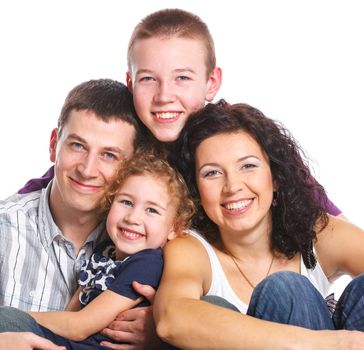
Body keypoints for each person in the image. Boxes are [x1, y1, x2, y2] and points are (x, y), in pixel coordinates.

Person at [16, 8, 342, 218]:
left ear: (211, 82)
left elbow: (324, 214)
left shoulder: (241, 138)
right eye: (148, 79)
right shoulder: (125, 138)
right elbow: (54, 180)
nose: (164, 96)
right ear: (130, 83)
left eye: (182, 78)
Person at [154, 100, 364, 349]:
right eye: (212, 173)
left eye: (248, 166)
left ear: (275, 178)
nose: (232, 187)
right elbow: (171, 318)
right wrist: (329, 343)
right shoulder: (191, 248)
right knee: (285, 290)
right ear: (196, 189)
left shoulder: (318, 232)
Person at [0, 79, 161, 349]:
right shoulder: (6, 229)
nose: (87, 169)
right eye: (77, 146)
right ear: (54, 145)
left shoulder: (140, 236)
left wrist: (161, 334)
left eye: (109, 155)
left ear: (134, 165)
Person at [1, 150, 195, 350]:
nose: (132, 218)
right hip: (68, 344)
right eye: (126, 202)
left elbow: (80, 326)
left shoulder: (147, 264)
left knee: (8, 321)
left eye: (152, 210)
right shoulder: (104, 252)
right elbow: (71, 313)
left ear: (174, 227)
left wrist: (22, 316)